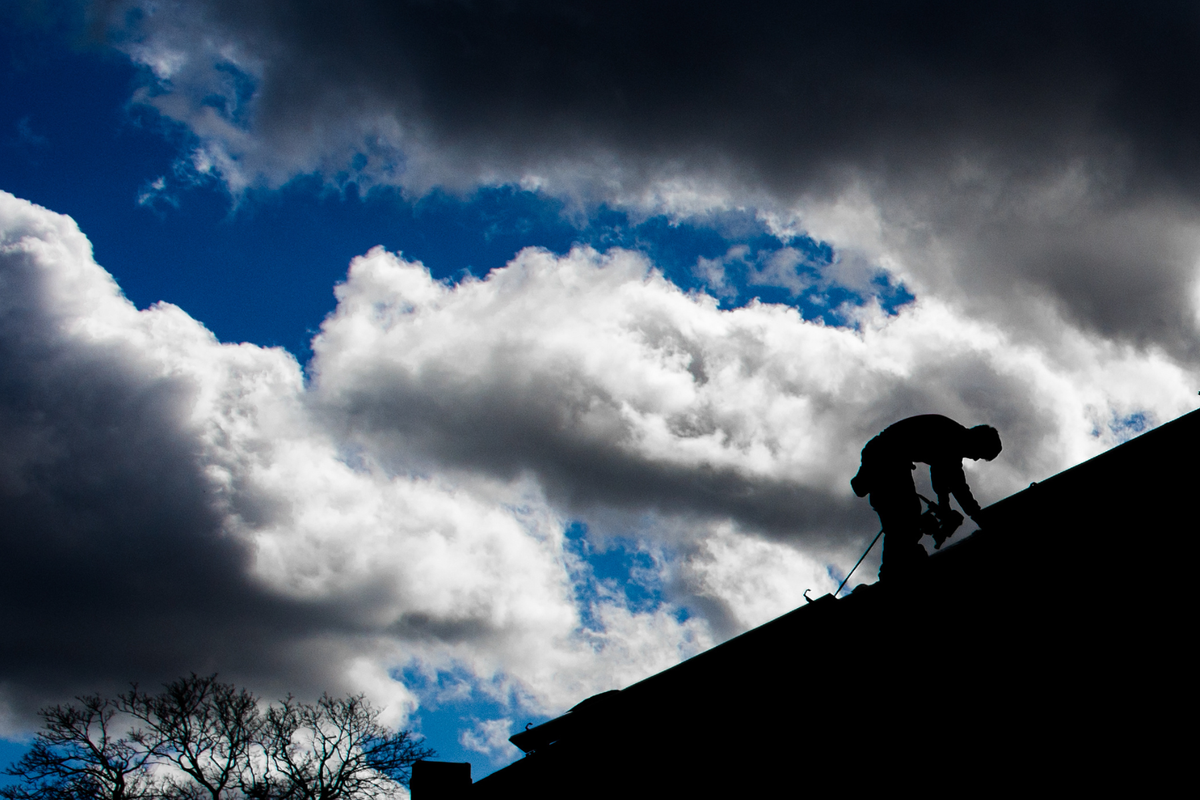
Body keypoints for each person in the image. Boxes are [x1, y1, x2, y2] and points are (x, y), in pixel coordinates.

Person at [850, 415, 1002, 580]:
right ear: (978, 441)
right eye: (980, 454)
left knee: (905, 516)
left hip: (886, 457)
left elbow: (946, 477)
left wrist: (946, 506)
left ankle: (900, 561)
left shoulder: (953, 441)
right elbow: (955, 484)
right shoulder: (952, 439)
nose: (975, 458)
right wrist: (978, 517)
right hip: (886, 459)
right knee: (905, 514)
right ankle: (892, 571)